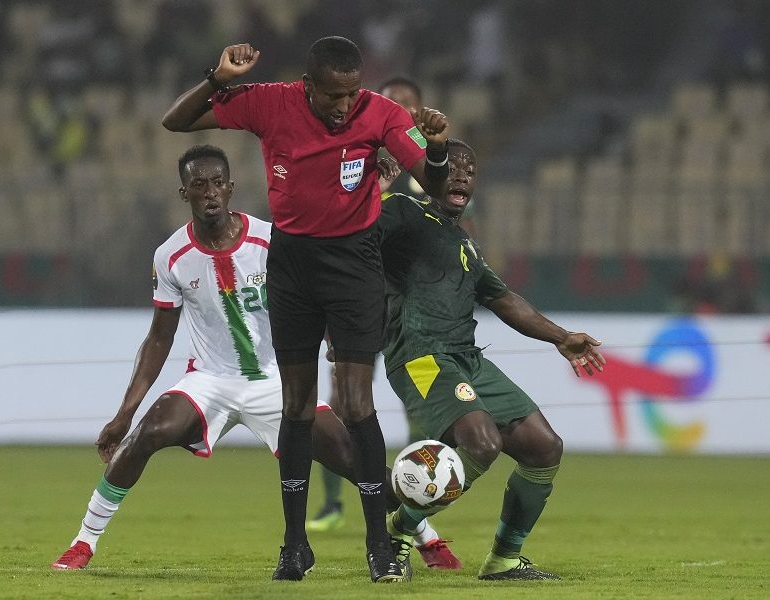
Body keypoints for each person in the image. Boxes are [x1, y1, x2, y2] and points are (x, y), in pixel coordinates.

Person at [50, 145, 435, 573]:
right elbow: (159, 338)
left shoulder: (271, 240)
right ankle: (83, 542)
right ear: (185, 194)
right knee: (149, 431)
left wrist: (330, 337)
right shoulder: (171, 255)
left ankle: (424, 536)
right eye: (199, 185)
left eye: (218, 183)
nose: (210, 193)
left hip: (278, 379)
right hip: (210, 379)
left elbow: (316, 292)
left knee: (351, 457)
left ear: (231, 188)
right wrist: (125, 412)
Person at [162, 37, 451, 583]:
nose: (345, 106)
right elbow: (177, 121)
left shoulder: (382, 114)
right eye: (333, 95)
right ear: (309, 86)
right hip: (292, 264)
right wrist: (218, 77)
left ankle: (379, 547)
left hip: (355, 266)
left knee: (356, 404)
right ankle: (294, 548)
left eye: (352, 93)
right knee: (296, 406)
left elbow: (432, 183)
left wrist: (434, 146)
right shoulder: (272, 102)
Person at [378, 139, 607, 580]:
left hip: (467, 360)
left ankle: (503, 558)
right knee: (482, 443)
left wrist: (561, 338)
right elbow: (357, 238)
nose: (462, 175)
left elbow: (505, 300)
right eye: (452, 167)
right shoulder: (404, 211)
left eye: (471, 169)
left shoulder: (466, 246)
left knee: (544, 447)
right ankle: (398, 532)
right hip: (421, 356)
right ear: (430, 174)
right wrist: (374, 194)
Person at [307, 74, 461, 571]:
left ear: (419, 110)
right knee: (347, 401)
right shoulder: (362, 159)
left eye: (406, 104)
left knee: (412, 403)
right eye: (389, 102)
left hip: (408, 311)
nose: (397, 110)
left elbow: (454, 228)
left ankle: (421, 488)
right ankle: (335, 504)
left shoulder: (432, 171)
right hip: (358, 299)